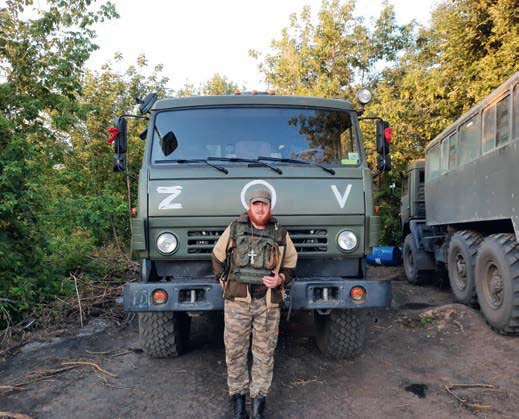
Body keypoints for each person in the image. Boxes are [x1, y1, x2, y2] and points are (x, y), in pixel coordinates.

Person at [212, 188, 298, 419]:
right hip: (237, 302)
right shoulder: (235, 229)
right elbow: (218, 256)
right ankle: (239, 402)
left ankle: (259, 404)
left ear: (270, 207)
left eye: (264, 204)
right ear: (249, 206)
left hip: (268, 303)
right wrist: (222, 278)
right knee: (235, 352)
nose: (260, 209)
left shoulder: (280, 233)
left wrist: (280, 278)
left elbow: (291, 264)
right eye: (256, 204)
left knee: (264, 353)